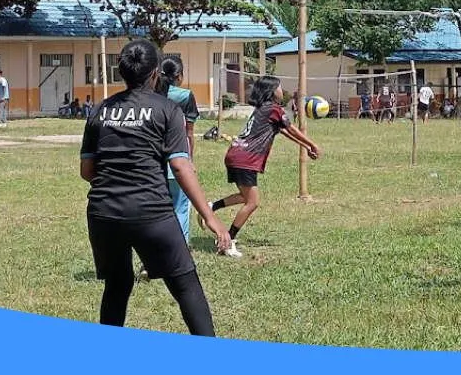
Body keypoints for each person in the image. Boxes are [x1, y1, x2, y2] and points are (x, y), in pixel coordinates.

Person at [79, 39, 229, 336]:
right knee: (186, 285)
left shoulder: (100, 110)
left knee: (118, 284)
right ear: (155, 73)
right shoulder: (167, 110)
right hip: (150, 211)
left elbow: (87, 171)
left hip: (103, 213)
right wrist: (211, 218)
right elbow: (180, 166)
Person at [209, 75, 322, 258]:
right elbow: (291, 128)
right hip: (245, 158)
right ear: (271, 91)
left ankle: (211, 206)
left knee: (245, 196)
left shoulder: (264, 110)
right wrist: (313, 144)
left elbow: (284, 131)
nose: (282, 90)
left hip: (236, 154)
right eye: (279, 87)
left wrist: (306, 146)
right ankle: (227, 241)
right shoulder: (273, 109)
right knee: (252, 202)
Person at [158, 55, 201, 242]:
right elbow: (189, 133)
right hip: (177, 158)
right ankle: (180, 247)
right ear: (179, 75)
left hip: (153, 161)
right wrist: (190, 161)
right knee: (181, 205)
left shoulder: (150, 95)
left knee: (158, 208)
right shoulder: (185, 96)